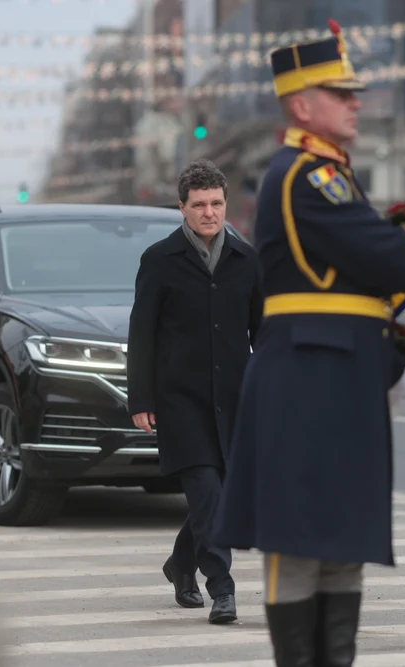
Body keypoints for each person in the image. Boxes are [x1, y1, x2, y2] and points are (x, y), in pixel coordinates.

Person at [212, 19, 405, 666]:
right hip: (310, 378)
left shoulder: (328, 173)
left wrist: (394, 356)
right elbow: (379, 248)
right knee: (302, 545)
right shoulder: (309, 175)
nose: (357, 100)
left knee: (341, 544)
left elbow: (357, 278)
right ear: (303, 104)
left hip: (334, 375)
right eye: (342, 91)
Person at [127, 158, 263, 625]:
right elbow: (141, 334)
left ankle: (181, 562)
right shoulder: (159, 260)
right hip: (179, 399)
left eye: (217, 203)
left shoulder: (247, 261)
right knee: (207, 491)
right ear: (181, 208)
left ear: (227, 205)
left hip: (234, 398)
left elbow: (263, 333)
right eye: (199, 204)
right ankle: (221, 587)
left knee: (219, 495)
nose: (209, 212)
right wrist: (140, 399)